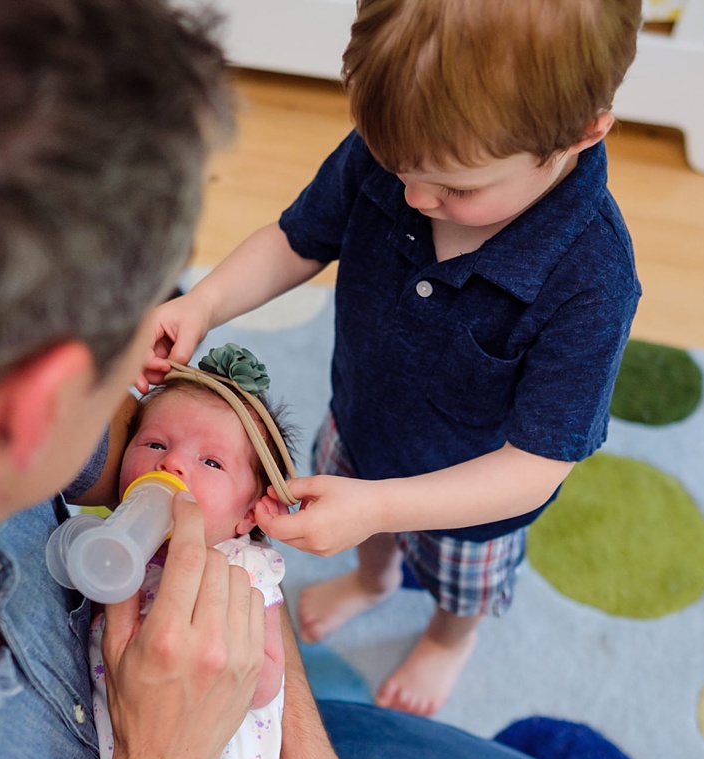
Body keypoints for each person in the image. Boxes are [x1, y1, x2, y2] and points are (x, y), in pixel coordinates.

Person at [0, 0, 598, 759]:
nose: (156, 368)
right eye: (138, 321)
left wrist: (295, 728)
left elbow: (209, 479)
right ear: (35, 408)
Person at [142, 0, 644, 717]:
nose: (412, 196)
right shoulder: (402, 153)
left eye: (457, 188)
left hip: (474, 503)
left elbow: (538, 463)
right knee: (365, 537)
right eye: (395, 165)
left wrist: (382, 505)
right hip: (360, 424)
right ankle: (374, 581)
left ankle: (447, 639)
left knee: (459, 589)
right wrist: (205, 302)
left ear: (584, 134)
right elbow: (297, 240)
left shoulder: (591, 277)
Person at [87, 344, 295, 759]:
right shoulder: (112, 537)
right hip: (112, 752)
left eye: (212, 462)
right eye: (156, 444)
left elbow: (267, 679)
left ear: (248, 516)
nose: (172, 464)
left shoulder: (245, 569)